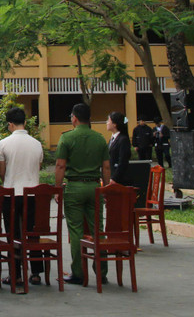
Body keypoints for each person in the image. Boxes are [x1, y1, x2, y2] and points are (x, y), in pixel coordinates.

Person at [54, 103, 110, 285]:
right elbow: (106, 167)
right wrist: (105, 188)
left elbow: (60, 165)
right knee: (97, 229)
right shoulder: (100, 139)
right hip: (94, 187)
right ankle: (101, 271)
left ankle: (78, 272)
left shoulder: (67, 138)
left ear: (75, 118)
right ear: (89, 119)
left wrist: (57, 188)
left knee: (76, 230)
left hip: (74, 187)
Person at [0, 106, 44, 286]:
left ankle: (15, 274)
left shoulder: (4, 143)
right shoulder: (36, 144)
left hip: (12, 194)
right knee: (32, 233)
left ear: (10, 124)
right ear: (25, 122)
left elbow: (2, 172)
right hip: (33, 193)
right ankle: (36, 273)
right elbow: (38, 167)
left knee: (13, 234)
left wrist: (9, 180)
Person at [107, 112, 132, 186]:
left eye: (108, 121)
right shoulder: (112, 139)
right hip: (111, 177)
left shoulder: (123, 139)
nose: (107, 123)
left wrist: (114, 178)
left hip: (119, 181)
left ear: (114, 124)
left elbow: (123, 161)